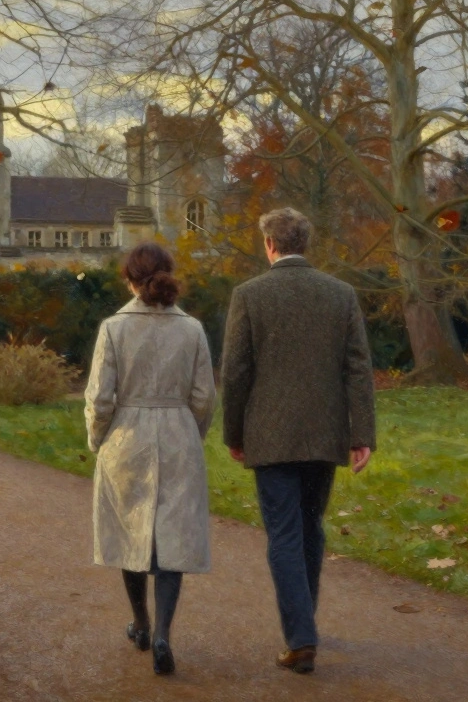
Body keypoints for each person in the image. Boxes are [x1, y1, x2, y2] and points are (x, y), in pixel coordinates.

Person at [221, 208, 376, 674]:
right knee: (310, 527)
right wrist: (361, 433)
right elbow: (358, 369)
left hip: (270, 436)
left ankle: (301, 637)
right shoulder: (341, 295)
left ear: (269, 244)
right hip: (325, 434)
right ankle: (304, 624)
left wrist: (234, 433)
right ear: (304, 243)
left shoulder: (249, 295)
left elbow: (235, 373)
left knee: (285, 534)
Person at [85, 242, 216, 676]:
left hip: (127, 437)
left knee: (131, 532)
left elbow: (100, 399)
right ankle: (163, 632)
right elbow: (204, 397)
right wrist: (190, 434)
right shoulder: (193, 330)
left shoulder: (113, 328)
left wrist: (97, 439)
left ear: (129, 278)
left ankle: (140, 624)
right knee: (172, 537)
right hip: (177, 433)